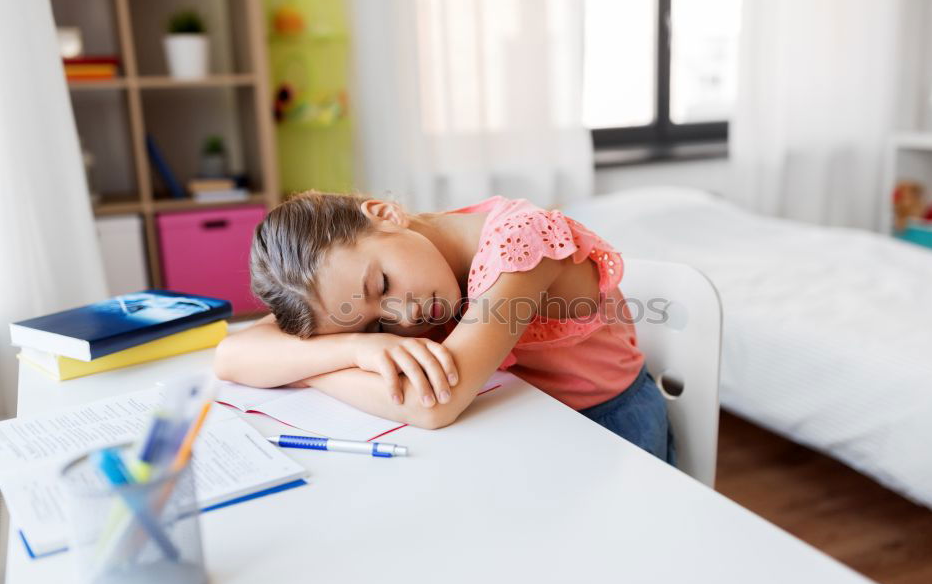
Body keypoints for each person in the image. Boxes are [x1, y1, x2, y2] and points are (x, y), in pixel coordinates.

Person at [215, 191, 674, 463]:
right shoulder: (377, 270)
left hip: (608, 429)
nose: (402, 317)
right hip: (518, 417)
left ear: (383, 214)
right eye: (377, 323)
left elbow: (433, 406)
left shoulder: (521, 244)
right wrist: (354, 346)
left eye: (382, 285)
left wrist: (314, 365)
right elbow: (232, 355)